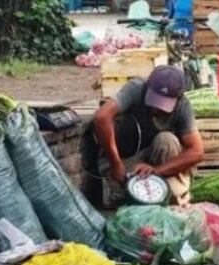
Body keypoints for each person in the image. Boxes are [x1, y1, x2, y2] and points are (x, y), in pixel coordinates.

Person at [82, 65, 204, 208]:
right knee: (123, 199)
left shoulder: (183, 106)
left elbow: (197, 152)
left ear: (178, 98)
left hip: (157, 164)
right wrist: (116, 164)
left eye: (162, 104)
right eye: (154, 101)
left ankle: (164, 191)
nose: (156, 108)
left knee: (167, 140)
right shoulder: (136, 88)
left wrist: (157, 171)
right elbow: (101, 117)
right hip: (125, 158)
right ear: (148, 87)